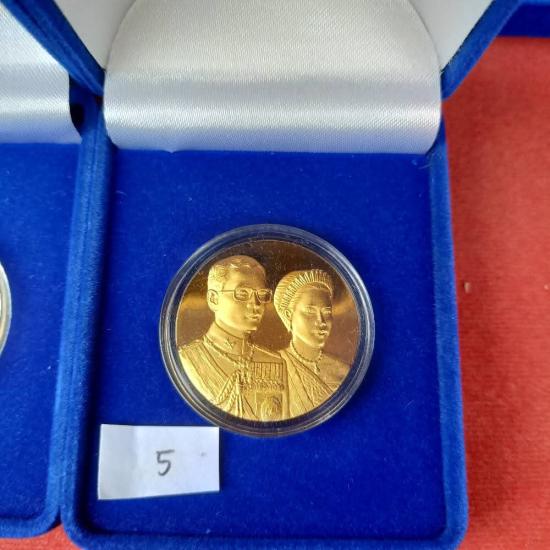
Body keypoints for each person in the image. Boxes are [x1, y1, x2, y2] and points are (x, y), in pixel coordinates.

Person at [179, 255, 288, 421]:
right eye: (243, 293)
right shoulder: (189, 358)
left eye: (261, 294)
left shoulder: (274, 361)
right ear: (213, 299)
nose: (256, 303)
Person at [274, 269, 349, 417]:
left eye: (327, 312)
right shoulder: (273, 366)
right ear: (289, 315)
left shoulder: (344, 371)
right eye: (310, 311)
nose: (321, 321)